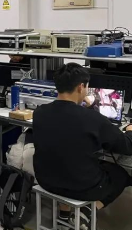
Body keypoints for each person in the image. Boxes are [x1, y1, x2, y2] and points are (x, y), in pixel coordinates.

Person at [33, 63, 132, 228]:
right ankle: (89, 211)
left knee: (67, 160)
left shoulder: (39, 112)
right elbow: (126, 146)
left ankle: (64, 213)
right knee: (121, 174)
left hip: (46, 180)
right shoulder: (92, 119)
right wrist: (130, 131)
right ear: (81, 87)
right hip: (81, 187)